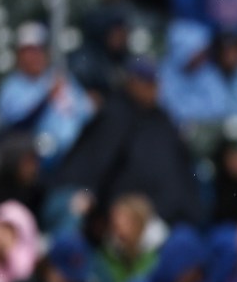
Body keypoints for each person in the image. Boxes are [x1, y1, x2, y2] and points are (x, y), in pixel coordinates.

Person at [54, 58, 203, 225]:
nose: (150, 87)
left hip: (163, 212)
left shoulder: (163, 120)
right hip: (103, 204)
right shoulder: (115, 113)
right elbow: (96, 162)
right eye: (144, 80)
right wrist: (91, 193)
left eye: (153, 82)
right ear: (131, 81)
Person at [0, 23, 94, 163]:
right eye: (30, 51)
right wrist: (47, 99)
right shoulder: (11, 87)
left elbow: (86, 110)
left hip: (78, 149)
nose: (36, 56)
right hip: (41, 156)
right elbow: (18, 126)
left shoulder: (59, 77)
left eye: (39, 50)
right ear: (19, 55)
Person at [158, 21, 237, 126]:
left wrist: (192, 115)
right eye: (197, 53)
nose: (202, 58)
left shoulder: (207, 72)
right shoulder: (165, 73)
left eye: (203, 53)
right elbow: (166, 106)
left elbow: (220, 106)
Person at [91, 194, 158, 282]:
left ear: (139, 223)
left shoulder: (156, 253)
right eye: (114, 223)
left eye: (125, 221)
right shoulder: (108, 251)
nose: (117, 227)